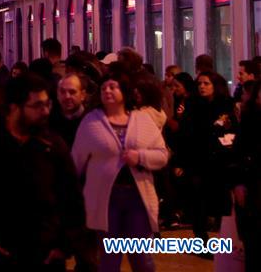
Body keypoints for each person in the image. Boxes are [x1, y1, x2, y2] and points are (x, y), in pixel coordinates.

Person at [0, 73, 84, 272]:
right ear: (14, 108)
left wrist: (64, 245)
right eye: (37, 106)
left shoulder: (53, 146)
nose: (45, 111)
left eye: (47, 104)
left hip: (45, 258)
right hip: (1, 259)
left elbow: (72, 198)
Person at [72, 69, 169, 272]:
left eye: (113, 87)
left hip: (137, 197)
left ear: (124, 91)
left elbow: (162, 155)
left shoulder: (142, 120)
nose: (107, 91)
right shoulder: (92, 122)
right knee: (108, 259)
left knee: (141, 257)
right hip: (105, 199)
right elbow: (76, 160)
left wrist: (140, 157)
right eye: (104, 87)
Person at [176, 70, 236, 245]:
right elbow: (184, 134)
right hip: (197, 159)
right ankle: (201, 239)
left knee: (220, 200)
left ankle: (223, 239)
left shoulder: (225, 104)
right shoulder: (193, 105)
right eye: (200, 83)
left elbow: (232, 129)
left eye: (206, 83)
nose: (202, 87)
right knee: (198, 201)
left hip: (220, 159)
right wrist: (180, 161)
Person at [233, 80, 261, 270]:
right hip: (254, 184)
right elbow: (238, 153)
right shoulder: (250, 120)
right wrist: (238, 183)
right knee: (254, 240)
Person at [50, 72, 90, 148]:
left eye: (72, 92)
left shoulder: (91, 120)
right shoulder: (50, 119)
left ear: (83, 95)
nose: (67, 96)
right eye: (62, 92)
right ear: (57, 95)